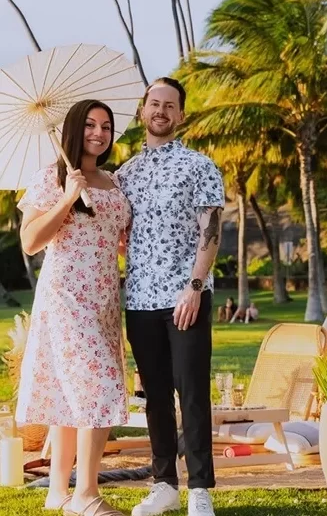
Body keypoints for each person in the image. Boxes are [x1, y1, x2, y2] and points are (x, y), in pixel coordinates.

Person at [16, 99, 130, 516]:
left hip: (103, 302)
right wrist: (67, 198)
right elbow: (30, 242)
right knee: (99, 388)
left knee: (72, 394)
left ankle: (57, 492)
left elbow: (116, 236)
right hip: (65, 299)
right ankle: (85, 494)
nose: (99, 133)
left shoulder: (114, 182)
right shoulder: (53, 177)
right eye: (90, 125)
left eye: (106, 126)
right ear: (74, 129)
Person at [117, 77, 225, 516]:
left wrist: (195, 287)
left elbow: (211, 230)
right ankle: (164, 483)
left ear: (180, 115)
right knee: (155, 395)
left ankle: (200, 489)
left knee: (192, 392)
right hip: (140, 300)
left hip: (186, 296)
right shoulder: (123, 174)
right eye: (154, 103)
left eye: (169, 105)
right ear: (144, 111)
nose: (160, 111)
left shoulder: (200, 165)